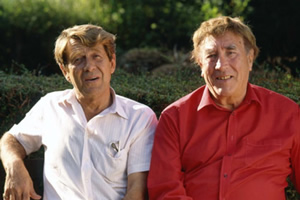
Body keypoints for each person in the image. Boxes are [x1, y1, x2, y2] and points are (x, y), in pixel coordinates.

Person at [147, 16, 300, 200]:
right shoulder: (175, 118)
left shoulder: (287, 114)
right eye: (211, 56)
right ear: (201, 64)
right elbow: (166, 190)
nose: (221, 65)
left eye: (231, 52)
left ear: (250, 59)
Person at [0, 24, 158, 200]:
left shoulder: (139, 118)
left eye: (96, 57)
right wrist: (14, 166)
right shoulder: (50, 106)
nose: (89, 66)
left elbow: (138, 190)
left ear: (112, 63)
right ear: (65, 71)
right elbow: (11, 140)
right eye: (78, 59)